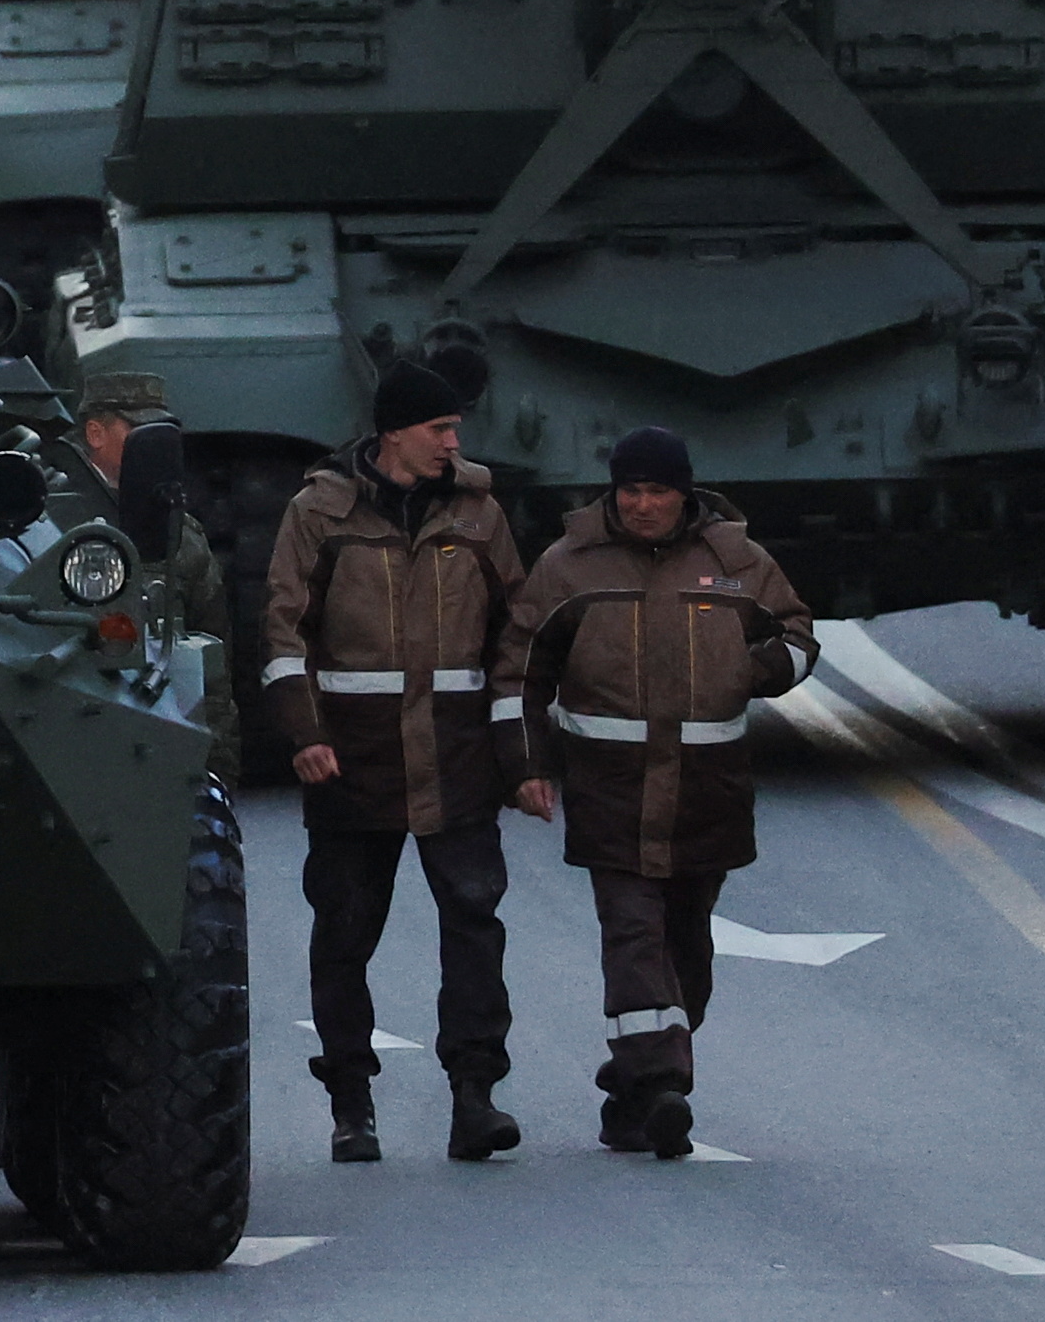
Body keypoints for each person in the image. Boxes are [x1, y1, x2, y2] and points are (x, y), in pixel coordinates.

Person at [265, 351, 546, 1167]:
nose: (453, 442)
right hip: (352, 765)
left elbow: (517, 635)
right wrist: (305, 732)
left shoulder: (479, 514)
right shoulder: (320, 513)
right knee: (345, 933)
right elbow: (284, 633)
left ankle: (475, 1094)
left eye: (455, 427)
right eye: (439, 428)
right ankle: (351, 1103)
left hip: (457, 763)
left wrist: (521, 756)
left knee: (474, 923)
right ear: (393, 433)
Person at [512, 428, 815, 1160]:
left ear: (684, 493)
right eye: (630, 489)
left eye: (657, 490)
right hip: (609, 788)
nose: (642, 504)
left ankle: (632, 1089)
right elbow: (520, 669)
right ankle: (664, 1079)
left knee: (686, 951)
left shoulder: (737, 561)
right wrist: (528, 764)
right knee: (633, 933)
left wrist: (752, 669)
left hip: (707, 791)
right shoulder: (567, 566)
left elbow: (799, 637)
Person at [72, 365, 233, 647]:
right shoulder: (54, 520)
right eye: (141, 432)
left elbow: (211, 647)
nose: (156, 445)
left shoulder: (181, 531)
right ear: (95, 434)